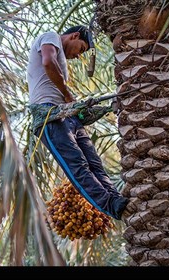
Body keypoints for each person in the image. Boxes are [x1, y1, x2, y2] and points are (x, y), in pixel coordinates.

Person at [27, 25, 129, 220]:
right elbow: (47, 62)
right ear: (74, 35)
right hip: (49, 116)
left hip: (67, 116)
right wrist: (68, 96)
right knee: (78, 166)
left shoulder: (62, 60)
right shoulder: (50, 36)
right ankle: (112, 206)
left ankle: (116, 198)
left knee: (94, 164)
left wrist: (79, 106)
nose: (79, 55)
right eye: (81, 49)